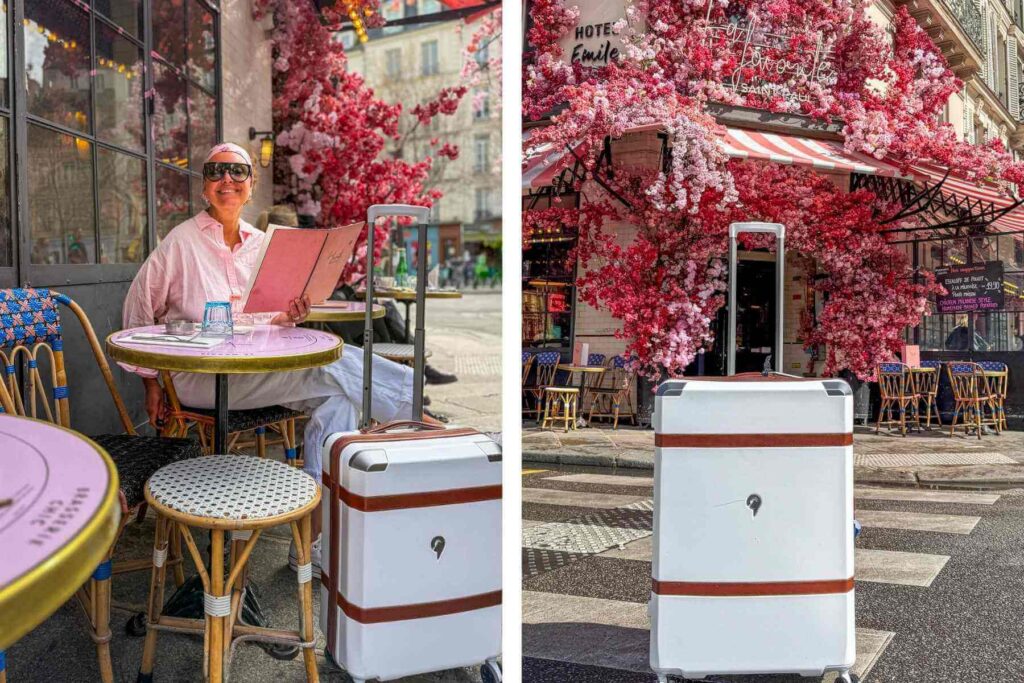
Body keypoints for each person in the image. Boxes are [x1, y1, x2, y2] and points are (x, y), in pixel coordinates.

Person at [122, 142, 428, 577]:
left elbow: (264, 314)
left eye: (238, 172)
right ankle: (419, 423)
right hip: (200, 377)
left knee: (339, 401)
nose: (227, 180)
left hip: (256, 371)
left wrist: (291, 312)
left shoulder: (263, 244)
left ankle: (313, 542)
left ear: (251, 186)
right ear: (205, 187)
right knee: (330, 366)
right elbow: (137, 310)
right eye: (216, 172)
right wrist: (151, 382)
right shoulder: (180, 243)